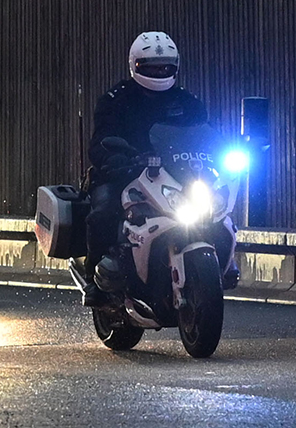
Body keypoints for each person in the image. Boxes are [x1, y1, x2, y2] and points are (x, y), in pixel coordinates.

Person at [80, 31, 208, 306]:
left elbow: (207, 135)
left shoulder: (188, 102)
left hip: (177, 173)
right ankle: (94, 280)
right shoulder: (116, 99)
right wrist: (111, 157)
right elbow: (100, 139)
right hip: (125, 172)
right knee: (102, 213)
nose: (159, 71)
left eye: (165, 66)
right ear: (135, 65)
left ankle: (220, 265)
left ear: (175, 66)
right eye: (151, 66)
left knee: (216, 209)